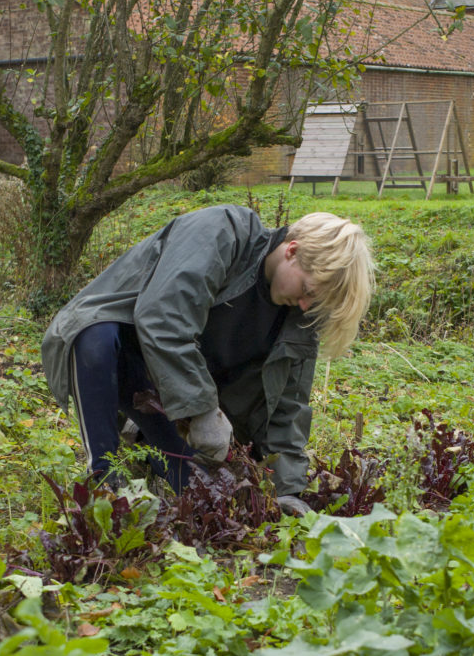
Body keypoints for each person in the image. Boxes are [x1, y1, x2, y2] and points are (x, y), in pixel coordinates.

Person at [41, 204, 374, 516]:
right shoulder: (223, 231)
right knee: (95, 335)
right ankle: (103, 478)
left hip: (174, 403)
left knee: (203, 499)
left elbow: (290, 405)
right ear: (292, 251)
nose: (304, 305)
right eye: (308, 291)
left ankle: (143, 440)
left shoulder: (299, 315)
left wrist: (287, 490)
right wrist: (203, 411)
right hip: (120, 353)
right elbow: (162, 318)